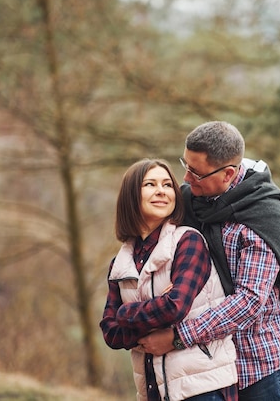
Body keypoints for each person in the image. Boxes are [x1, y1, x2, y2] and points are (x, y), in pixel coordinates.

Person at [138, 121, 280, 400]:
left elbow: (249, 301)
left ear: (228, 174)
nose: (186, 179)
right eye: (185, 165)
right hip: (205, 370)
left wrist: (177, 336)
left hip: (260, 366)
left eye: (196, 173)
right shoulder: (189, 201)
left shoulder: (263, 216)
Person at [99, 158, 238, 401]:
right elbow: (110, 332)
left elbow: (174, 307)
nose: (161, 191)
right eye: (150, 184)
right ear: (131, 197)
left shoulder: (187, 242)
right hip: (154, 389)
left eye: (167, 185)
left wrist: (125, 314)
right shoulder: (120, 264)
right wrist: (150, 316)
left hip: (201, 387)